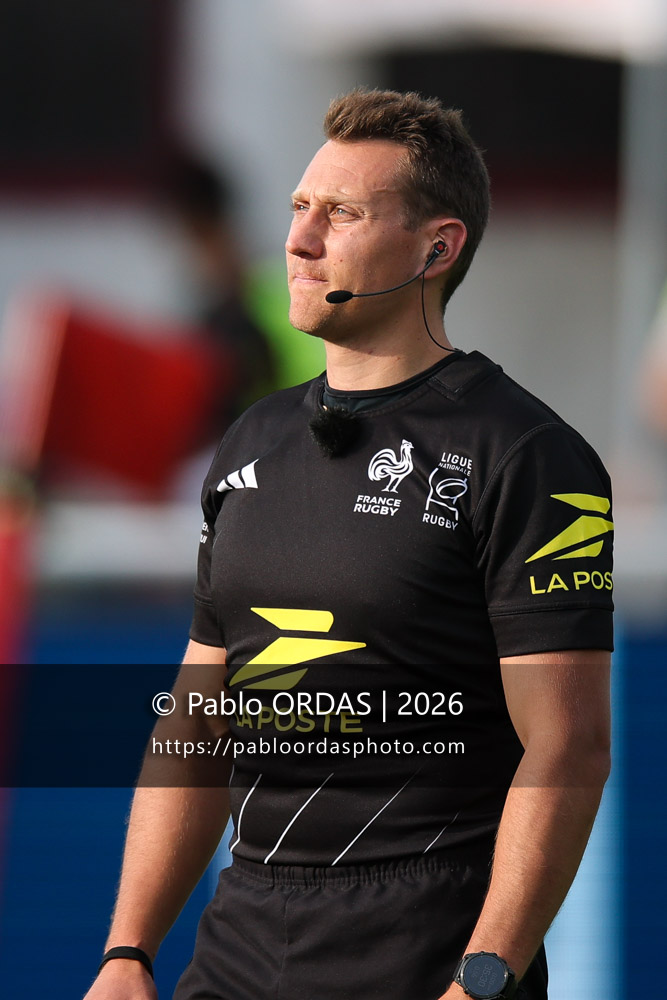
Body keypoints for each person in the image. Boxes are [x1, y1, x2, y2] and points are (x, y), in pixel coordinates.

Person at [85, 88, 613, 1000]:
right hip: (240, 947)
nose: (299, 239)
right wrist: (126, 953)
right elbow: (197, 722)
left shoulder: (527, 455)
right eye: (300, 207)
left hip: (423, 953)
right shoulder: (251, 443)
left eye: (342, 213)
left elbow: (568, 748)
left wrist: (484, 977)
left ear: (436, 249)